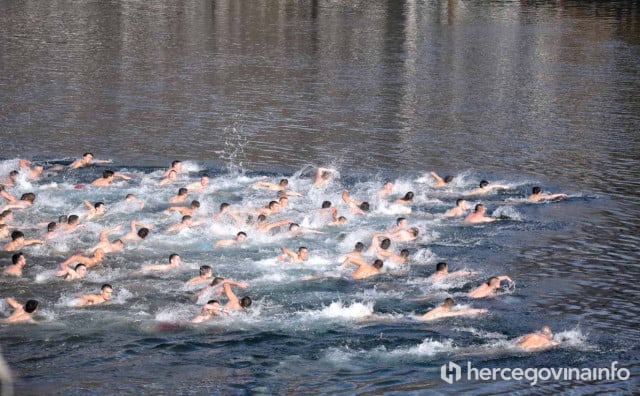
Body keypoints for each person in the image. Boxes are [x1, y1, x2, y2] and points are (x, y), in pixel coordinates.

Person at [416, 298, 486, 321]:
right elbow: (465, 311)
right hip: (426, 320)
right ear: (451, 306)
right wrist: (479, 310)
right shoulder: (446, 313)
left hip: (417, 318)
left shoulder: (439, 308)